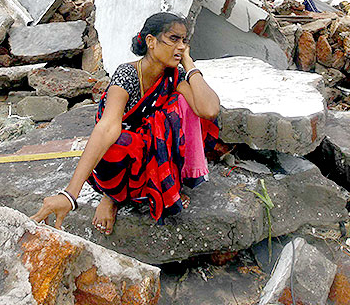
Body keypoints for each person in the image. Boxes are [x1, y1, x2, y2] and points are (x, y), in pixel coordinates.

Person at [30, 12, 220, 235]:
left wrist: (190, 65)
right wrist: (70, 194)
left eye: (184, 41)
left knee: (183, 105)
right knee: (121, 141)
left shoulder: (173, 76)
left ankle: (168, 182)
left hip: (149, 154)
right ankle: (111, 196)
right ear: (151, 41)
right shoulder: (127, 74)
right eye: (173, 39)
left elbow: (209, 109)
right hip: (116, 159)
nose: (180, 47)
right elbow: (108, 128)